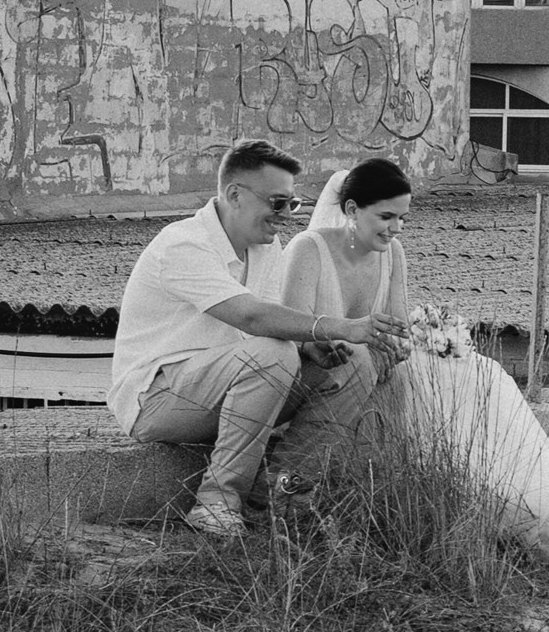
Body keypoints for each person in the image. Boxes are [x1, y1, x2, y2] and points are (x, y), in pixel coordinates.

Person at [276, 154, 549, 564]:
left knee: (482, 377)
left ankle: (510, 501)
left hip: (377, 363)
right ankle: (297, 495)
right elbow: (293, 328)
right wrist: (349, 340)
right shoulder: (307, 249)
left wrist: (397, 345)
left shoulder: (393, 253)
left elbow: (398, 323)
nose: (396, 228)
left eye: (403, 218)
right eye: (386, 217)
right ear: (351, 209)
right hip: (321, 367)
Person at [108, 136, 409, 543]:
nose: (285, 215)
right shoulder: (183, 244)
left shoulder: (266, 250)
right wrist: (341, 326)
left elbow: (279, 326)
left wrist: (315, 345)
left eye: (292, 204)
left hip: (229, 387)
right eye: (277, 203)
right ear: (235, 194)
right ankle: (216, 503)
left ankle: (281, 497)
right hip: (157, 399)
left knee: (352, 361)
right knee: (273, 352)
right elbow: (252, 317)